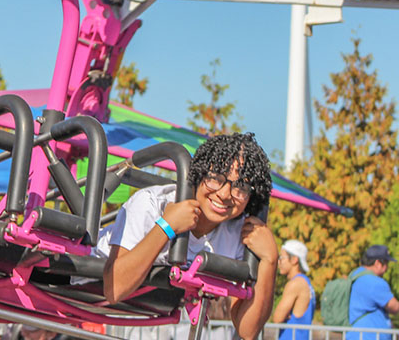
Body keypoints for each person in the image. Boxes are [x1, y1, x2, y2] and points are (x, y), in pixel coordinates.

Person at [100, 132, 276, 340]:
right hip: (84, 274)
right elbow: (114, 290)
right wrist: (166, 226)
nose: (225, 193)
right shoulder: (152, 204)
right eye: (216, 178)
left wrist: (270, 260)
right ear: (200, 173)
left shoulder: (237, 234)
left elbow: (247, 330)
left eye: (241, 187)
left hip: (151, 305)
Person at [345, 245, 399, 340]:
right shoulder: (374, 282)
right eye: (386, 263)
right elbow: (395, 307)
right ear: (378, 263)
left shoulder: (354, 275)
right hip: (368, 337)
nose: (387, 268)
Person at [272, 239, 314, 340]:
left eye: (282, 258)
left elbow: (277, 318)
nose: (279, 262)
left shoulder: (295, 284)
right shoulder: (306, 282)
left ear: (294, 259)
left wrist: (285, 314)